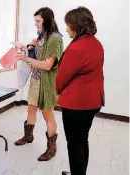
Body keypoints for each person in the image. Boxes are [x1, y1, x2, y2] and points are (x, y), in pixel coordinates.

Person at [56, 7, 105, 175]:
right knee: (82, 139)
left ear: (76, 25)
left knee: (74, 143)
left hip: (76, 104)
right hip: (93, 101)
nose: (66, 28)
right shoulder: (96, 44)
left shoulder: (76, 48)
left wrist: (57, 90)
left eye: (68, 24)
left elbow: (62, 77)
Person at [14, 7, 63, 161]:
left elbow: (48, 65)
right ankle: (28, 136)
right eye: (35, 21)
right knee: (31, 110)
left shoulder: (55, 38)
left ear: (48, 20)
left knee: (47, 114)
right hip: (36, 79)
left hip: (47, 83)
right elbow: (38, 58)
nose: (36, 24)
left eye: (38, 21)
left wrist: (27, 59)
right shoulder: (41, 35)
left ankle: (51, 148)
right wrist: (30, 49)